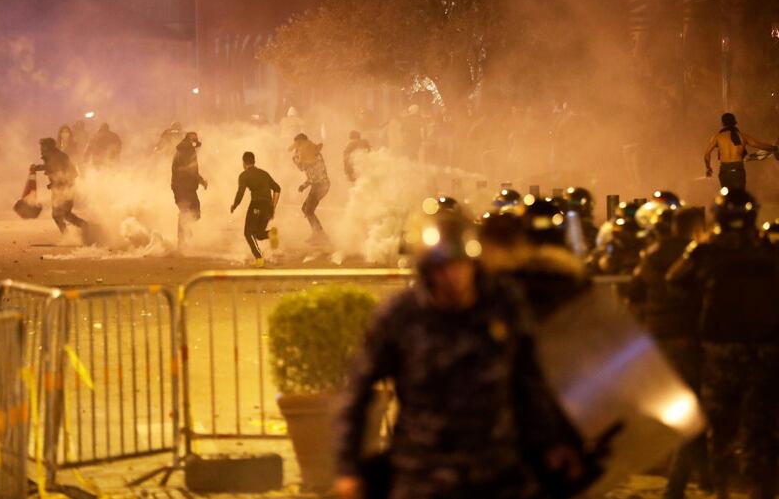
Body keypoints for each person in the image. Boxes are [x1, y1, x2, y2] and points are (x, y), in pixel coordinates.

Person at [335, 207, 585, 499]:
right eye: (440, 268)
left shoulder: (503, 304)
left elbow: (528, 378)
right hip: (424, 476)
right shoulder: (401, 316)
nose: (451, 276)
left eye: (458, 265)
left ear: (473, 264)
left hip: (496, 474)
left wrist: (552, 441)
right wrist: (348, 469)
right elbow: (356, 392)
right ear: (427, 271)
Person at [668, 189, 779, 499]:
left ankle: (723, 493)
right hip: (766, 352)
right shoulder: (769, 253)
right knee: (761, 430)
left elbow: (674, 280)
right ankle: (764, 491)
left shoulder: (705, 253)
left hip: (721, 352)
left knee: (722, 428)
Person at [629, 207, 710, 499]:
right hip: (687, 339)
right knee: (693, 411)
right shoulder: (697, 254)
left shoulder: (651, 253)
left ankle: (704, 476)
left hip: (657, 340)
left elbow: (635, 291)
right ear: (696, 227)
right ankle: (678, 485)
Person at [230, 151, 281, 268]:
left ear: (244, 163)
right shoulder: (264, 173)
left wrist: (234, 205)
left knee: (248, 233)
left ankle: (259, 259)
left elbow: (240, 193)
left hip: (257, 205)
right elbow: (277, 189)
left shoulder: (244, 175)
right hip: (268, 206)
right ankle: (271, 234)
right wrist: (272, 207)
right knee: (258, 234)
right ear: (254, 161)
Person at [30, 138, 88, 238]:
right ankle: (75, 233)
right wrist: (37, 168)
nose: (40, 149)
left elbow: (60, 172)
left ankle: (83, 230)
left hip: (65, 188)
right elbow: (49, 167)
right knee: (62, 214)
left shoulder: (56, 156)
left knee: (62, 214)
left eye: (42, 146)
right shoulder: (54, 155)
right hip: (61, 188)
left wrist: (38, 169)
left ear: (47, 147)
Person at [704, 113, 777, 190]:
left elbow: (707, 154)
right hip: (738, 170)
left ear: (722, 123)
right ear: (735, 122)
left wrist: (708, 168)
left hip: (725, 171)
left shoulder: (717, 137)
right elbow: (760, 145)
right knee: (740, 197)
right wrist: (775, 148)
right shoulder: (743, 136)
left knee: (727, 197)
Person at [290, 133, 330, 242]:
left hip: (321, 185)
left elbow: (304, 168)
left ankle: (320, 235)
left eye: (298, 145)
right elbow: (310, 173)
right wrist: (304, 185)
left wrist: (296, 159)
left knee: (308, 210)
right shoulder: (310, 152)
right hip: (319, 184)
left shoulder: (312, 154)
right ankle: (317, 233)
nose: (297, 148)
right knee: (306, 209)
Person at [171, 132, 207, 247]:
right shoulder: (187, 150)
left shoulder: (181, 150)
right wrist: (201, 181)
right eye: (194, 142)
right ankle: (182, 239)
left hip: (182, 187)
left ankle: (184, 233)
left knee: (188, 213)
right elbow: (191, 170)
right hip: (184, 187)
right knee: (191, 212)